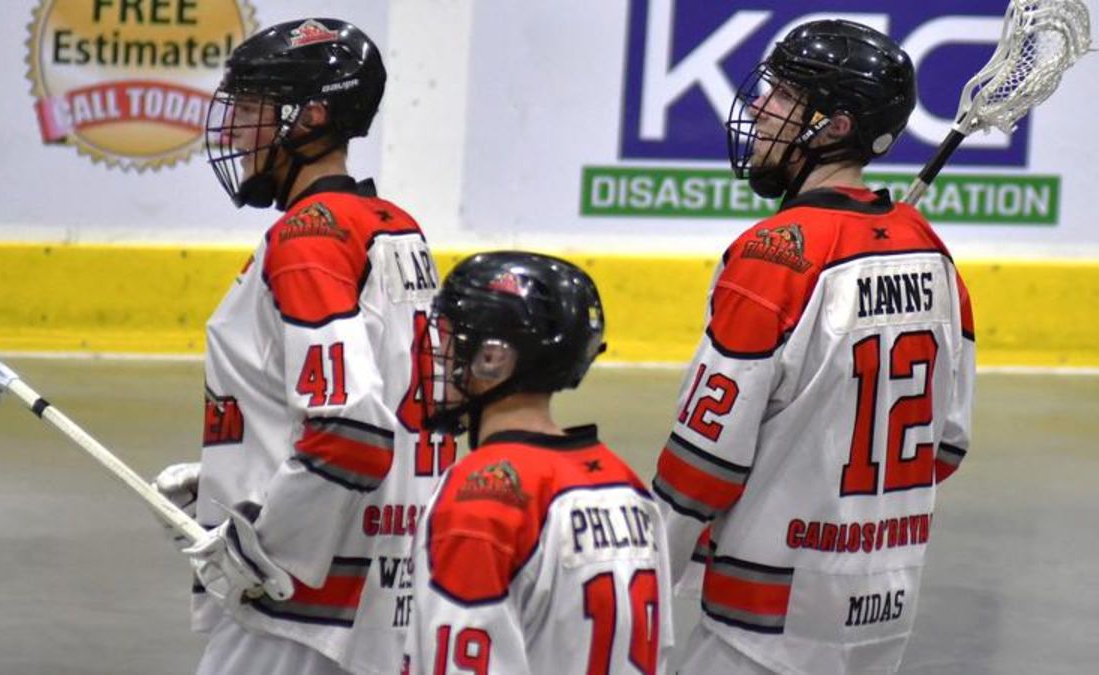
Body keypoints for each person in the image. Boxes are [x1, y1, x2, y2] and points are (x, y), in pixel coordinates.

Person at [652, 20, 975, 674]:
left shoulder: (774, 258)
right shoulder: (935, 255)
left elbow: (703, 465)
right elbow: (946, 444)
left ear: (832, 127)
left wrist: (647, 578)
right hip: (882, 612)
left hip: (761, 619)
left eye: (783, 95)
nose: (760, 107)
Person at [152, 18, 456, 675]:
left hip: (306, 608)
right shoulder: (396, 228)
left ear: (310, 116)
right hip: (397, 587)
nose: (234, 129)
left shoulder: (309, 240)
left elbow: (350, 429)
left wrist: (265, 541)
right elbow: (384, 405)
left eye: (254, 110)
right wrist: (233, 482)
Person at [401, 251, 673, 674]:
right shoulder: (627, 487)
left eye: (453, 340)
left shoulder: (481, 498)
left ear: (493, 358)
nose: (439, 356)